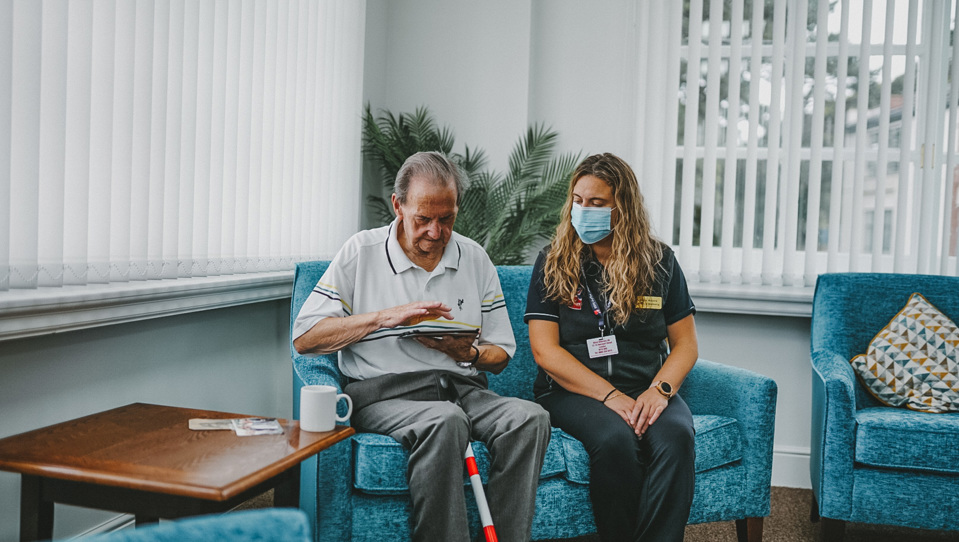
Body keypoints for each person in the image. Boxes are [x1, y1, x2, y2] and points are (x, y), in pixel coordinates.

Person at [293, 151, 551, 542]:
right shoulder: (361, 252)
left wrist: (469, 354)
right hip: (384, 394)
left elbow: (501, 353)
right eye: (423, 219)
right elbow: (306, 337)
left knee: (529, 418)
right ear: (399, 205)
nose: (435, 231)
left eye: (446, 219)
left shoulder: (475, 258)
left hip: (463, 387)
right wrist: (382, 317)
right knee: (445, 420)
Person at [524, 153, 698, 542]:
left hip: (645, 386)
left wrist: (661, 390)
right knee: (616, 437)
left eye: (597, 203)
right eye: (579, 201)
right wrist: (610, 396)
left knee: (676, 437)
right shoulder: (552, 261)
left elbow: (685, 344)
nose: (584, 210)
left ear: (623, 208)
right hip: (571, 391)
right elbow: (545, 352)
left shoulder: (660, 262)